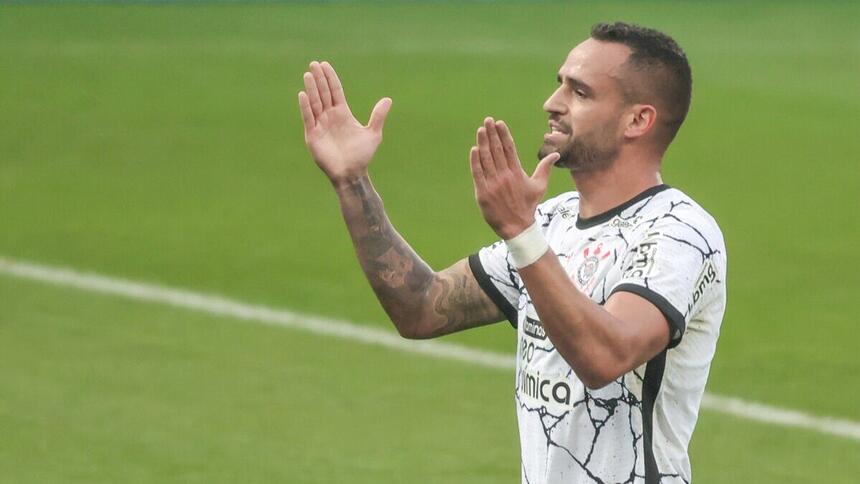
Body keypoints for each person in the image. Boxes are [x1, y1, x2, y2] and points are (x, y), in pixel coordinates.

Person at [298, 21, 726, 484]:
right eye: (559, 83)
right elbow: (421, 307)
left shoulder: (679, 232)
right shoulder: (553, 223)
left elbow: (605, 357)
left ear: (637, 120)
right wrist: (352, 182)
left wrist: (521, 232)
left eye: (580, 92)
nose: (552, 102)